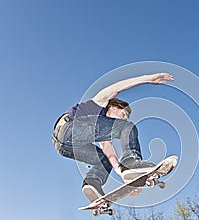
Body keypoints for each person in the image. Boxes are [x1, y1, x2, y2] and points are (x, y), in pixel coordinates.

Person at [52, 72, 174, 202]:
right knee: (128, 127)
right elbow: (117, 87)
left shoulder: (101, 130)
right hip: (71, 125)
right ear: (114, 107)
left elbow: (110, 154)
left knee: (103, 160)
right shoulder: (100, 102)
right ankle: (131, 161)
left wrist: (128, 178)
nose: (124, 119)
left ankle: (92, 183)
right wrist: (148, 78)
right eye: (123, 115)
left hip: (63, 146)